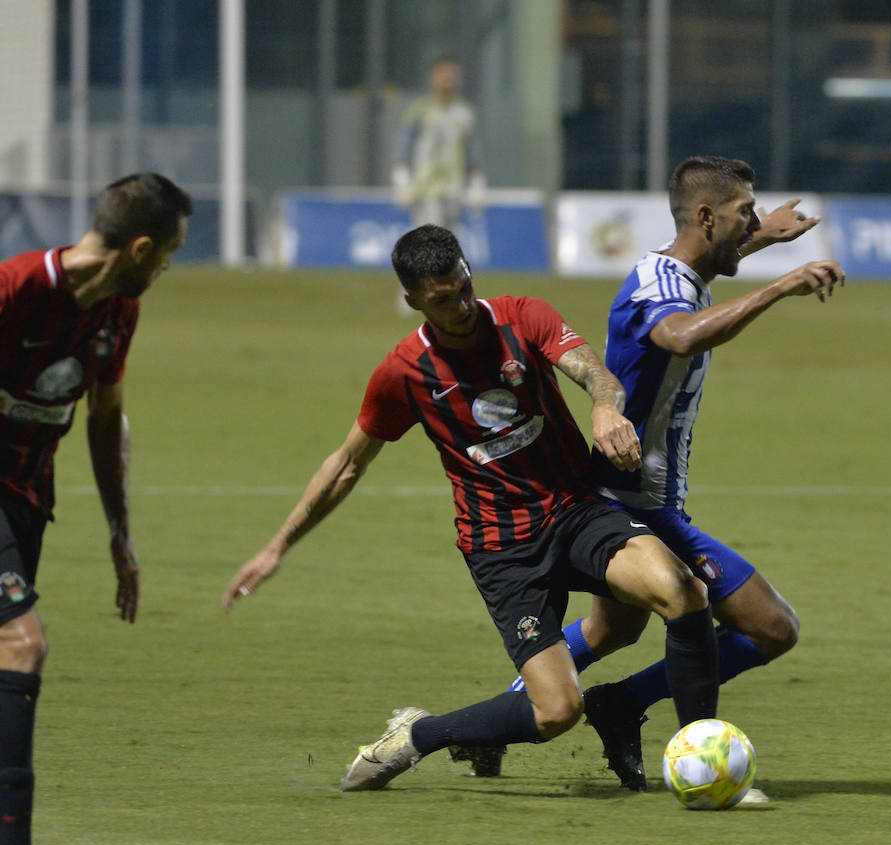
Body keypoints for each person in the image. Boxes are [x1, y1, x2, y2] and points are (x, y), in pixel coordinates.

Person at [222, 224, 722, 793]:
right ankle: (419, 735)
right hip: (502, 547)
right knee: (558, 711)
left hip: (576, 509)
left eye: (464, 287)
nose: (462, 305)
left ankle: (703, 763)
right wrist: (277, 546)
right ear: (412, 301)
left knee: (682, 593)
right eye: (442, 300)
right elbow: (346, 465)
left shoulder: (522, 316)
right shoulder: (402, 374)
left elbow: (596, 374)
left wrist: (605, 411)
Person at [485, 156, 843, 792]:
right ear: (706, 217)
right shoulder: (660, 285)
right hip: (630, 503)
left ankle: (548, 714)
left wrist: (763, 236)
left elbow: (707, 269)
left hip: (646, 499)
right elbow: (679, 336)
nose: (753, 219)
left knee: (610, 627)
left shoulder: (683, 270)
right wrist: (779, 285)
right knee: (770, 626)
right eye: (743, 213)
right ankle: (661, 740)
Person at [0, 173, 191, 845]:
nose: (167, 268)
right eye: (168, 253)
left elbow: (106, 416)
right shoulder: (15, 289)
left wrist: (121, 533)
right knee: (23, 643)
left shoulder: (118, 312)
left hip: (26, 499)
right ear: (138, 246)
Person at [392, 56, 485, 233]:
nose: (447, 79)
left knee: (449, 240)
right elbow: (404, 145)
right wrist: (401, 178)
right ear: (433, 77)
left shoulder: (465, 113)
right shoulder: (419, 111)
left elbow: (472, 150)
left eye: (452, 74)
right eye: (443, 74)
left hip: (453, 188)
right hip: (425, 188)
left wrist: (476, 181)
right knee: (429, 238)